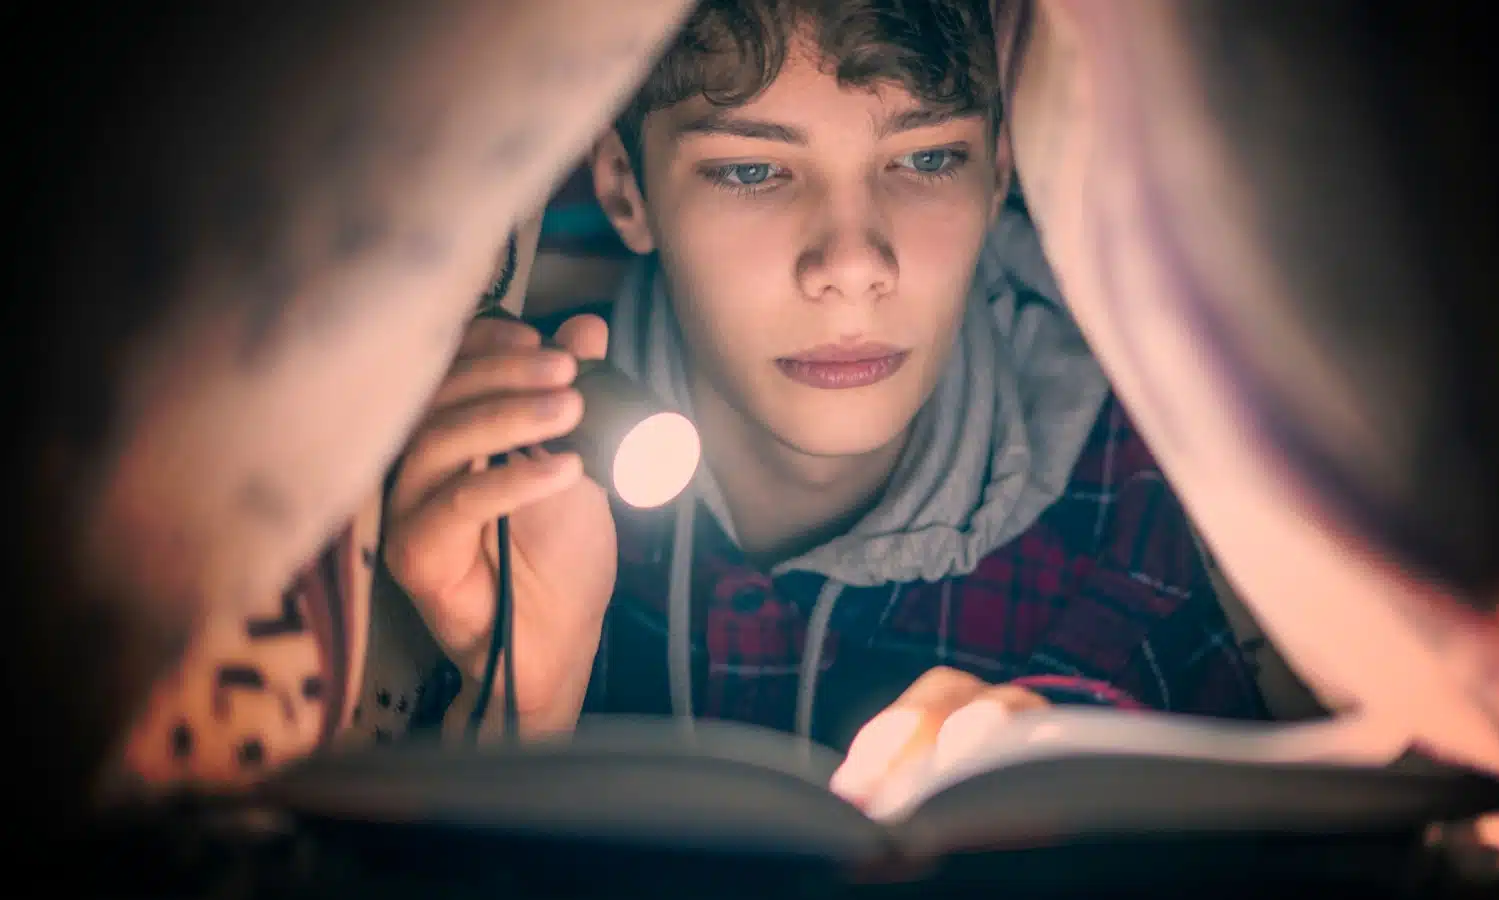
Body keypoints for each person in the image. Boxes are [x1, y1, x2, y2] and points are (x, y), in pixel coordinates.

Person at [378, 0, 1265, 805]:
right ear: (625, 189)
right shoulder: (501, 488)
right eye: (753, 172)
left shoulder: (1172, 479)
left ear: (998, 172)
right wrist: (524, 711)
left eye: (925, 158)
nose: (850, 264)